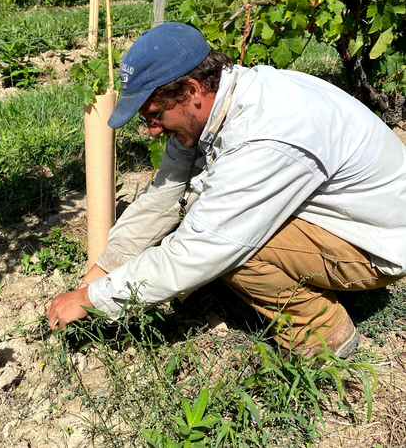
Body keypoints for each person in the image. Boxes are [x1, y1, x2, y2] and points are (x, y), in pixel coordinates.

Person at [47, 22, 406, 357]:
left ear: (191, 91)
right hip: (349, 215)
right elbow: (163, 196)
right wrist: (100, 272)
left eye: (154, 115)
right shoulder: (217, 102)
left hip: (378, 243)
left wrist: (93, 301)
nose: (152, 131)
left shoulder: (264, 135)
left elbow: (200, 249)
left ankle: (323, 334)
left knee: (231, 249)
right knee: (209, 223)